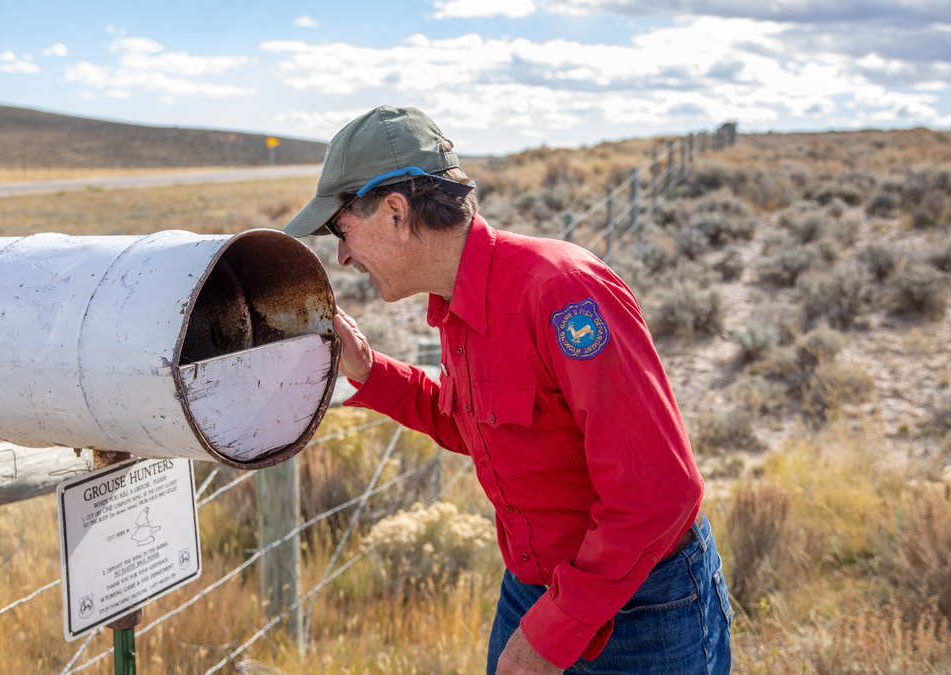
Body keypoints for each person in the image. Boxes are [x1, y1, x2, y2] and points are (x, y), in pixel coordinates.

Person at [283, 105, 732, 674]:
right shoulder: (456, 306)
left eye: (340, 230)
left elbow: (657, 492)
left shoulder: (561, 292)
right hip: (536, 590)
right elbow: (468, 423)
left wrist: (556, 630)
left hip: (641, 607)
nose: (342, 256)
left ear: (395, 212)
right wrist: (368, 369)